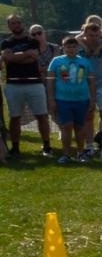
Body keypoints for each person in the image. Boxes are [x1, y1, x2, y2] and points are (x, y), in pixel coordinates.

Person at [4, 13, 52, 157]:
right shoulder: (5, 43)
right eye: (13, 23)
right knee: (14, 117)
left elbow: (33, 59)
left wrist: (15, 58)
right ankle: (16, 148)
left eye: (18, 22)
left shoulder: (32, 41)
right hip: (13, 84)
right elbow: (7, 59)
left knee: (42, 116)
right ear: (9, 26)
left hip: (34, 83)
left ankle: (47, 145)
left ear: (22, 24)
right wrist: (25, 55)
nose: (16, 25)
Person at [46, 34, 95, 163]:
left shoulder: (85, 62)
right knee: (66, 126)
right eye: (68, 47)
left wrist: (93, 99)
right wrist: (51, 99)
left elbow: (91, 82)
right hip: (62, 100)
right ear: (63, 48)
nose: (71, 49)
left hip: (82, 100)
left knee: (80, 127)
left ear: (78, 48)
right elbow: (50, 82)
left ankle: (80, 153)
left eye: (74, 47)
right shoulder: (56, 61)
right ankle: (66, 154)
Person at [78, 15, 102, 159]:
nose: (94, 37)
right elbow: (67, 46)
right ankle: (89, 146)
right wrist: (83, 39)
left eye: (97, 33)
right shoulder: (78, 45)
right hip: (85, 86)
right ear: (85, 32)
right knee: (88, 116)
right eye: (90, 34)